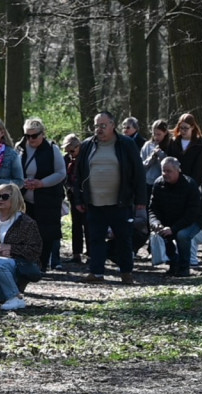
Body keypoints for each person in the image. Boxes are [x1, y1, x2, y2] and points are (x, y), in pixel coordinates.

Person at [72, 111, 146, 285]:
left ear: (112, 125)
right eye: (96, 125)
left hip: (120, 202)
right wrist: (79, 199)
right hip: (94, 203)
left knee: (124, 238)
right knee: (95, 238)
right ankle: (96, 273)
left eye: (103, 125)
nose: (99, 129)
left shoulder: (125, 144)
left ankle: (126, 273)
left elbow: (138, 172)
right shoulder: (87, 145)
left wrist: (141, 200)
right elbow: (79, 174)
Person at [16, 118, 66, 273]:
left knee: (46, 233)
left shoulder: (52, 149)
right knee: (24, 232)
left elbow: (61, 173)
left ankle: (42, 264)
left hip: (47, 198)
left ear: (42, 134)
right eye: (27, 136)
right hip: (25, 198)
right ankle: (25, 263)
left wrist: (41, 183)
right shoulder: (20, 147)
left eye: (34, 136)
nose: (30, 139)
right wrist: (21, 182)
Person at [148, 157, 202, 277]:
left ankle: (184, 268)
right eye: (163, 171)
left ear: (178, 170)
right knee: (159, 234)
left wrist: (173, 228)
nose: (165, 174)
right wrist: (156, 223)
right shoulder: (158, 184)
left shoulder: (190, 185)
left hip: (192, 222)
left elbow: (192, 213)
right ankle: (173, 263)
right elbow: (152, 209)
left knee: (182, 235)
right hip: (167, 222)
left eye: (169, 171)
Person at [62, 134, 87, 264]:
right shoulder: (66, 159)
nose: (70, 154)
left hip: (86, 195)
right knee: (76, 225)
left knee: (88, 225)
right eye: (67, 151)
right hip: (72, 195)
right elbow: (64, 176)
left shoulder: (85, 158)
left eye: (72, 151)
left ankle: (91, 254)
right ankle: (76, 253)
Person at [167, 113, 202, 183]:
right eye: (181, 128)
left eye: (185, 128)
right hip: (175, 182)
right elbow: (169, 161)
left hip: (192, 183)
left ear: (192, 127)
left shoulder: (199, 144)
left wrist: (193, 185)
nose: (182, 131)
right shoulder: (173, 142)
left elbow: (200, 168)